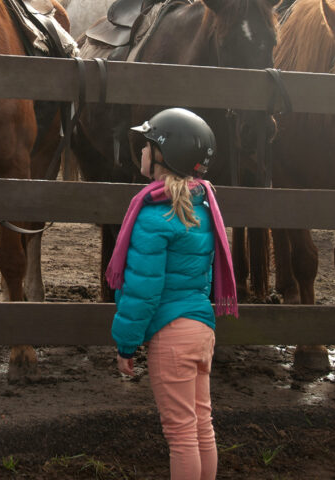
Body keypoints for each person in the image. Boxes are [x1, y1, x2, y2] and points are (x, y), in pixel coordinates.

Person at [107, 107, 238, 480]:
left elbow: (142, 292)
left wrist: (126, 345)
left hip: (171, 336)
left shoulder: (153, 217)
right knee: (201, 426)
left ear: (164, 155)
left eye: (148, 144)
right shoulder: (203, 207)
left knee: (181, 436)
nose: (142, 152)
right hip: (201, 329)